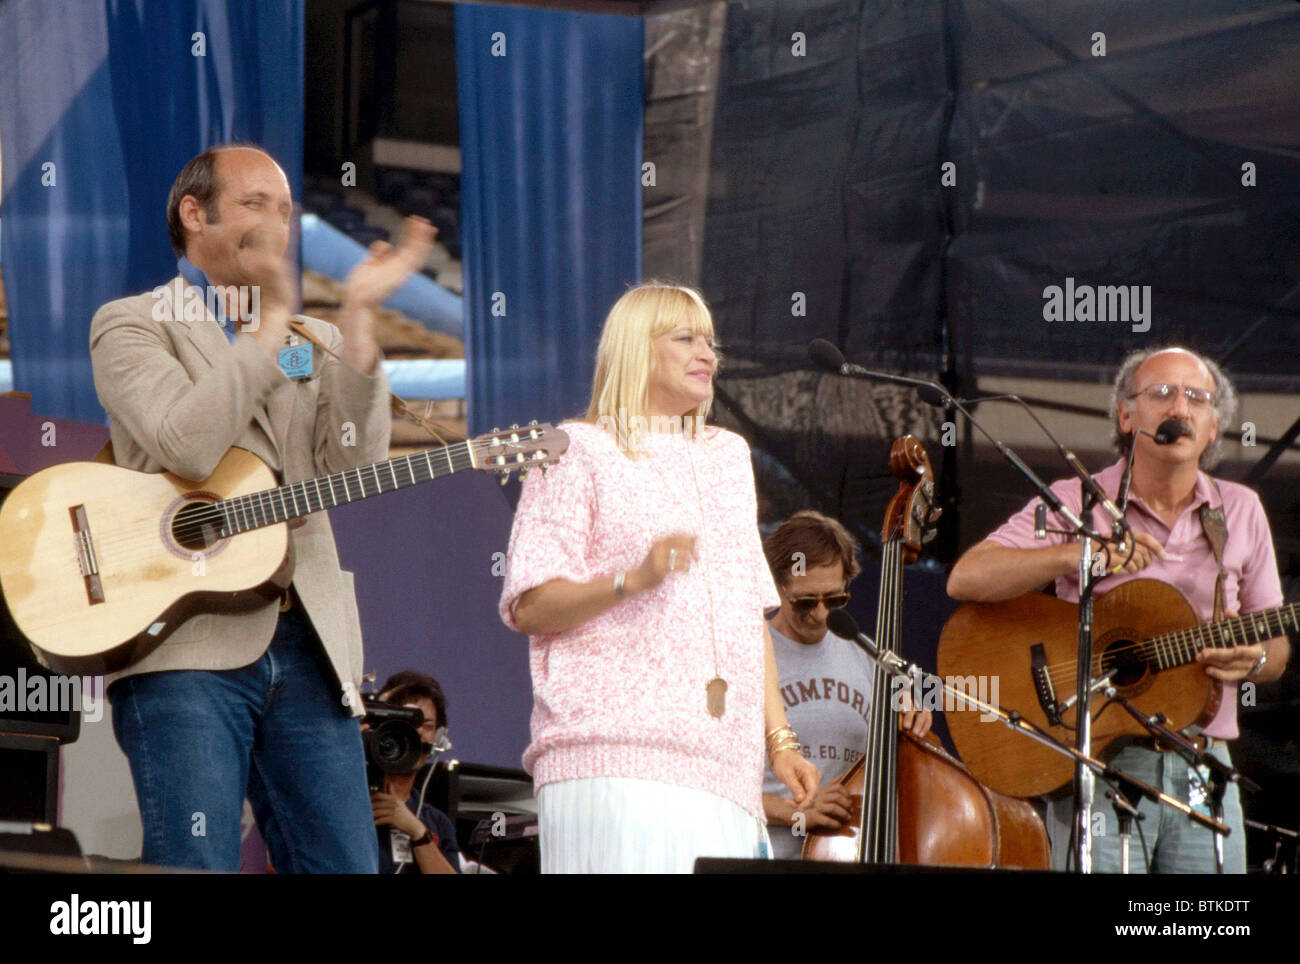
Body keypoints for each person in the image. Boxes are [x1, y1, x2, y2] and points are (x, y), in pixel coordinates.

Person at [89, 143, 433, 871]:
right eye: (255, 204)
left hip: (309, 642)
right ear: (194, 213)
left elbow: (356, 463)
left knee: (344, 863)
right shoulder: (132, 323)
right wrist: (269, 326)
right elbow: (186, 443)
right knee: (196, 860)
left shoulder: (312, 342)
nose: (277, 223)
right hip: (186, 639)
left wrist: (362, 321)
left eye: (285, 209)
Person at [498, 282, 820, 873]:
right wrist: (631, 580)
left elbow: (747, 614)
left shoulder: (728, 457)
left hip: (726, 770)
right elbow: (531, 606)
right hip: (613, 759)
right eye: (686, 338)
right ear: (636, 350)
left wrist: (781, 744)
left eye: (711, 342)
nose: (708, 354)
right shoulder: (576, 451)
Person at [947, 346, 1290, 873]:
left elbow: (1275, 644)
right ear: (1126, 416)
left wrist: (1255, 661)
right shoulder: (1077, 502)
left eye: (1197, 397)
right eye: (1161, 393)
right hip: (1098, 758)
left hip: (1203, 764)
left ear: (1215, 424)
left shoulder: (1239, 509)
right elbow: (967, 577)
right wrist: (1080, 553)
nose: (1181, 407)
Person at [760, 510, 931, 858]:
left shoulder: (867, 655)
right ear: (776, 587)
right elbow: (712, 785)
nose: (822, 614)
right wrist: (794, 813)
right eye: (805, 602)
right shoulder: (750, 655)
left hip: (850, 853)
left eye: (835, 600)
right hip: (770, 857)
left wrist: (912, 726)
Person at [371, 671, 461, 874]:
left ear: (438, 738)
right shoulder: (347, 806)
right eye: (407, 723)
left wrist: (418, 832)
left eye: (427, 726)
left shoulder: (438, 823)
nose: (417, 733)